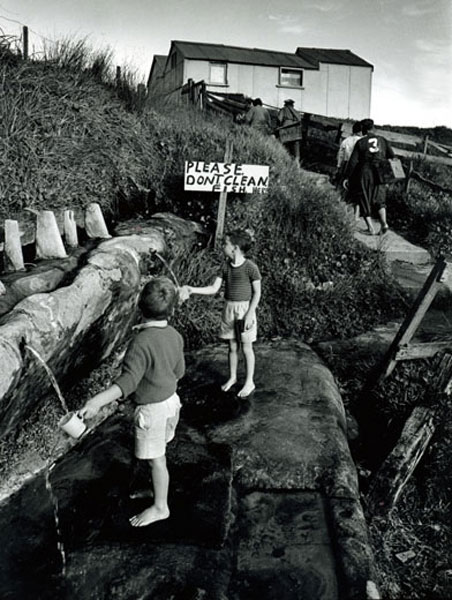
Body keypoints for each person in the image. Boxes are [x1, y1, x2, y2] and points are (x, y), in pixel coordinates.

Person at [78, 276, 185, 527]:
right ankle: (158, 489)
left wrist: (95, 402)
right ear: (171, 309)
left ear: (139, 306)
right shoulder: (175, 335)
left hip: (153, 411)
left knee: (157, 460)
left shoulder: (140, 343)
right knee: (159, 452)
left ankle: (161, 507)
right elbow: (179, 371)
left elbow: (128, 382)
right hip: (172, 403)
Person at [181, 229, 261, 399]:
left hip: (245, 310)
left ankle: (249, 382)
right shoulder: (225, 266)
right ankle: (232, 377)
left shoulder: (250, 267)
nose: (223, 246)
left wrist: (249, 314)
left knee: (246, 347)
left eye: (226, 244)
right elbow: (214, 288)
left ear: (235, 248)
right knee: (232, 346)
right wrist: (192, 289)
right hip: (229, 308)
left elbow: (257, 293)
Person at [344, 118, 395, 235]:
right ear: (373, 128)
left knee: (364, 197)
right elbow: (392, 155)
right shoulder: (383, 140)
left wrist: (347, 176)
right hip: (380, 171)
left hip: (365, 172)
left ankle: (371, 228)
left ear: (363, 130)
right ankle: (384, 224)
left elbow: (353, 162)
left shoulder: (360, 142)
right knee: (380, 198)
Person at [336, 121, 362, 220]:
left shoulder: (346, 140)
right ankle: (356, 215)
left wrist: (338, 166)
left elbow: (341, 154)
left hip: (346, 165)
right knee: (357, 190)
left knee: (345, 188)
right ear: (360, 131)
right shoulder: (362, 141)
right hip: (358, 166)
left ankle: (344, 212)